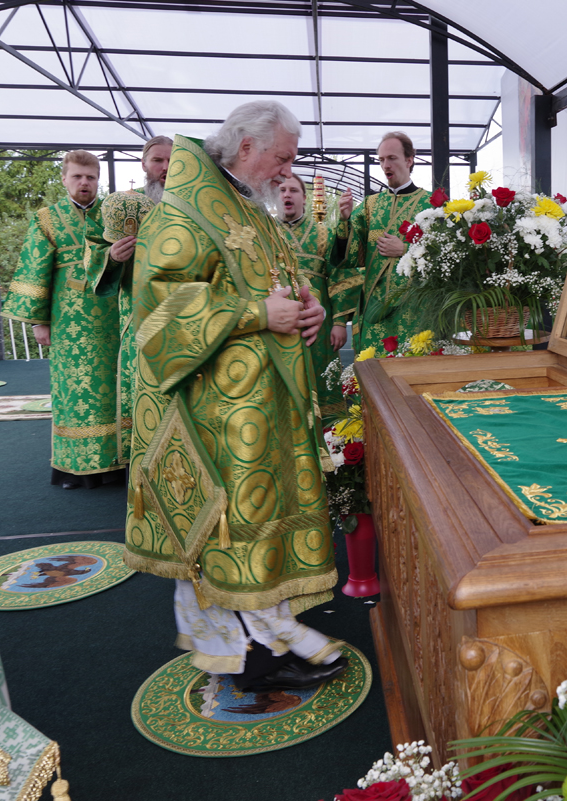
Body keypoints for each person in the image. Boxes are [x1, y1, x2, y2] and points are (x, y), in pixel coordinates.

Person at [126, 101, 346, 692]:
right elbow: (158, 311)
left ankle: (271, 627)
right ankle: (243, 649)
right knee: (232, 520)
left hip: (263, 400)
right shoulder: (185, 211)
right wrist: (255, 313)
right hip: (214, 410)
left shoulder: (249, 206)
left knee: (265, 513)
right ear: (246, 147)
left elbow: (278, 283)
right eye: (283, 157)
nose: (286, 170)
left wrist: (306, 310)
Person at [2, 150, 125, 490]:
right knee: (74, 395)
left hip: (110, 319)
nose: (84, 183)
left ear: (98, 180)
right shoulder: (47, 218)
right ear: (64, 178)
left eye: (91, 177)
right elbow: (34, 268)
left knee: (112, 391)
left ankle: (116, 464)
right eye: (77, 177)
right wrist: (39, 321)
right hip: (67, 324)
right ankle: (74, 468)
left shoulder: (113, 216)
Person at [84, 134, 173, 464]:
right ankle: (143, 462)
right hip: (139, 309)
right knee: (143, 382)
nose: (165, 167)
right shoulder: (120, 206)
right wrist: (114, 257)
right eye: (157, 160)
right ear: (144, 164)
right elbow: (93, 250)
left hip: (187, 308)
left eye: (171, 161)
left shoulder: (193, 203)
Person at [331, 131, 432, 351]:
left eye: (392, 158)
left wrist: (406, 249)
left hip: (415, 311)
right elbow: (347, 257)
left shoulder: (431, 204)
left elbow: (446, 256)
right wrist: (345, 219)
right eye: (381, 160)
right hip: (375, 311)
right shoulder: (369, 206)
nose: (386, 165)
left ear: (409, 160)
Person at [278, 173, 352, 419]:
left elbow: (339, 276)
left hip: (321, 324)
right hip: (279, 322)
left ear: (304, 198)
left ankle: (332, 440)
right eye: (281, 190)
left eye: (293, 190)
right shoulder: (266, 232)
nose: (286, 194)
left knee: (322, 379)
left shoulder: (323, 233)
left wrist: (340, 322)